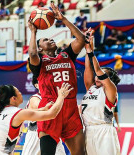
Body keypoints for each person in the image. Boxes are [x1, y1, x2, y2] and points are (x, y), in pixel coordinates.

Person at [28, 2, 86, 155]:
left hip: (70, 109)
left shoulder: (67, 55)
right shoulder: (39, 63)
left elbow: (81, 40)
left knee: (81, 152)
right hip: (50, 107)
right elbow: (33, 54)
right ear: (40, 48)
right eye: (45, 39)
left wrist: (64, 19)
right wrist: (33, 33)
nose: (50, 39)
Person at [0, 83, 72, 155]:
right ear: (13, 98)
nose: (21, 94)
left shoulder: (0, 113)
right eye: (19, 92)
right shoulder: (17, 113)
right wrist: (61, 97)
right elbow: (52, 114)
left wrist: (42, 109)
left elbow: (29, 113)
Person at [80, 28, 120, 155]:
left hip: (105, 132)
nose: (97, 77)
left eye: (102, 74)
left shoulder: (111, 90)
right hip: (88, 131)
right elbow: (88, 67)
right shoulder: (91, 88)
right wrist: (87, 50)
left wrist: (91, 51)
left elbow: (97, 71)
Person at [21, 77, 66, 155]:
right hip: (35, 136)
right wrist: (60, 98)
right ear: (37, 85)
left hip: (52, 133)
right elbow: (45, 110)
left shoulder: (55, 97)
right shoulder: (35, 98)